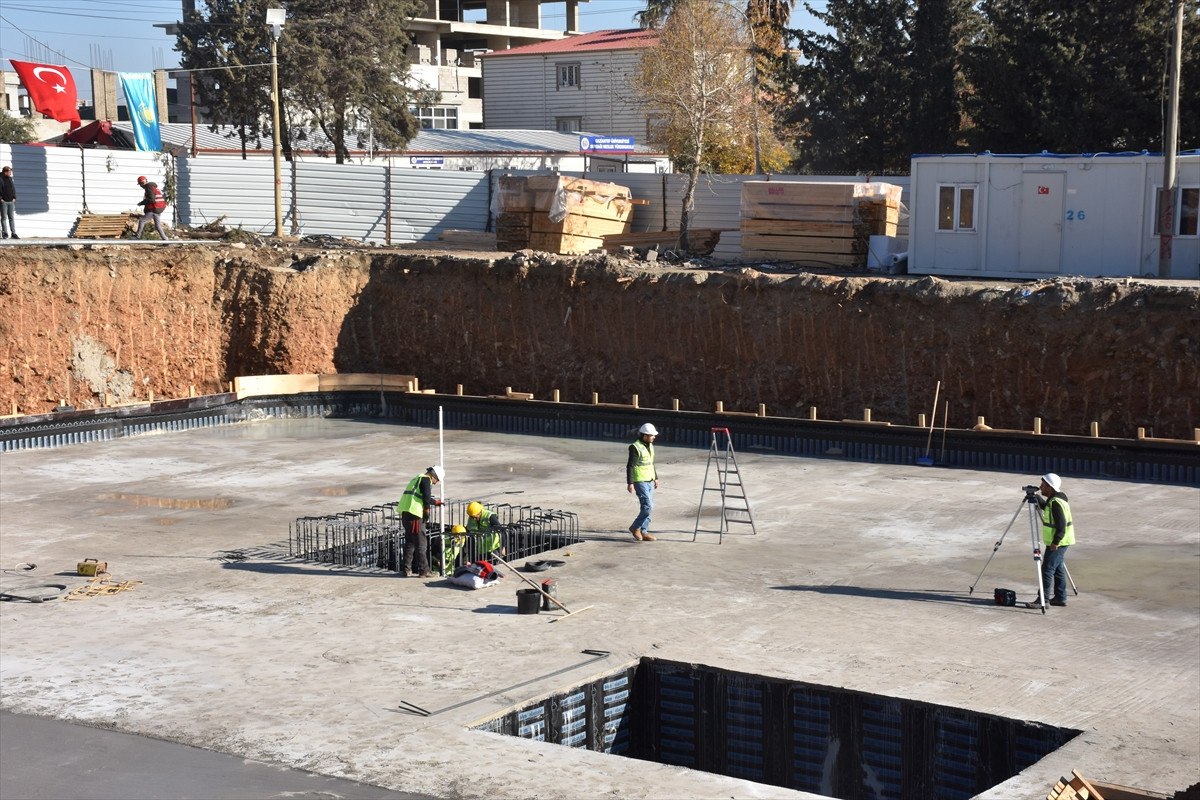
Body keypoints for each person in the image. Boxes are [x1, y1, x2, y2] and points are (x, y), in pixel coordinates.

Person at [397, 465, 443, 578]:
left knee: (410, 542)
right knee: (421, 543)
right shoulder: (426, 480)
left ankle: (406, 570)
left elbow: (419, 496)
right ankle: (424, 570)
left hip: (406, 514)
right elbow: (426, 496)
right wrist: (427, 510)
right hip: (415, 516)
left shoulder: (416, 478)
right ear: (434, 476)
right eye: (436, 480)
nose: (435, 483)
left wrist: (434, 502)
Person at [1037, 472, 1074, 607]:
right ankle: (1060, 597)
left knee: (1047, 569)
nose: (1040, 487)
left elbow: (1061, 526)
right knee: (1058, 569)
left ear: (1050, 487)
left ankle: (1043, 600)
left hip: (1058, 542)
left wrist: (1055, 542)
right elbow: (1046, 508)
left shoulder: (1056, 503)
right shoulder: (1055, 500)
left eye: (1043, 485)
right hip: (1062, 541)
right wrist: (1035, 497)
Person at [626, 423, 659, 541]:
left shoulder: (650, 446)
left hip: (649, 480)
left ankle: (644, 531)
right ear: (645, 436)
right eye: (652, 435)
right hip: (639, 480)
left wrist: (655, 477)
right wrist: (630, 483)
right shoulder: (635, 447)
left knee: (650, 506)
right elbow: (630, 466)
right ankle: (635, 527)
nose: (654, 437)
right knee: (647, 506)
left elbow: (650, 462)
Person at [134, 176, 170, 240]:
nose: (140, 186)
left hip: (154, 208)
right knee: (158, 226)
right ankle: (166, 240)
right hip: (159, 208)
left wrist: (142, 203)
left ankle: (137, 237)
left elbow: (151, 200)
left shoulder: (148, 187)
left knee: (142, 220)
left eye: (140, 184)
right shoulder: (153, 187)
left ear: (142, 183)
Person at [1, 166, 16, 239]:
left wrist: (14, 197)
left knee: (11, 218)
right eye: (9, 172)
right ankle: (5, 233)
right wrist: (1, 199)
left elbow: (13, 188)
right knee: (4, 218)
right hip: (3, 201)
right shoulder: (0, 179)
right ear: (5, 172)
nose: (10, 173)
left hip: (11, 201)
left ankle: (13, 233)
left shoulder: (10, 179)